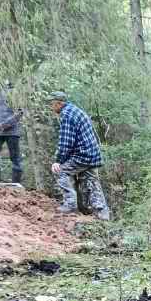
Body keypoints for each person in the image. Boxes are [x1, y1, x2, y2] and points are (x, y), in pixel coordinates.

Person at [48, 91, 110, 221]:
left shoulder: (67, 115)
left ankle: (70, 205)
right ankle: (102, 214)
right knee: (92, 181)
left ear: (59, 103)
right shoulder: (75, 110)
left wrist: (58, 161)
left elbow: (66, 142)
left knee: (60, 172)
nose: (50, 107)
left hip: (82, 154)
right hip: (92, 153)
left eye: (52, 103)